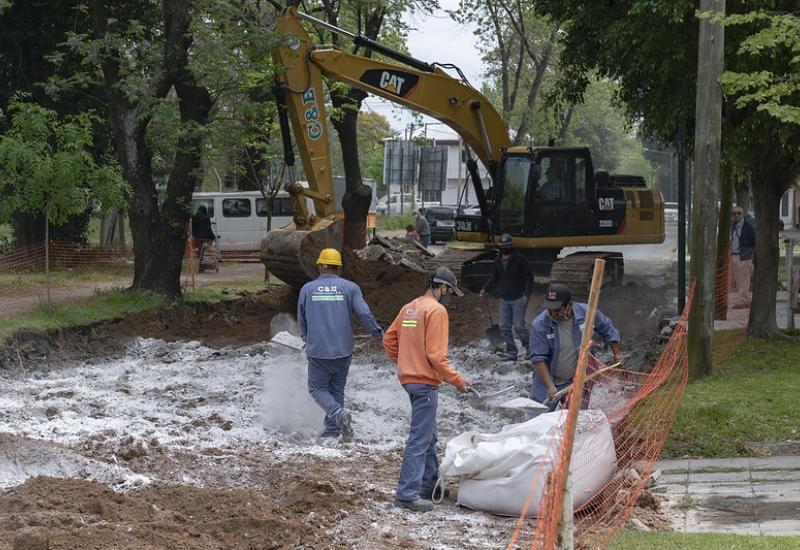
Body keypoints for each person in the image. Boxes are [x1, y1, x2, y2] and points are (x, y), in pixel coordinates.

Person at [383, 267, 472, 512]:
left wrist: (405, 362)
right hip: (424, 384)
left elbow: (389, 340)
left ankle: (429, 485)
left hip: (410, 381)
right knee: (420, 439)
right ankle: (406, 494)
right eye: (449, 292)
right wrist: (458, 381)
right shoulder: (436, 311)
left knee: (429, 435)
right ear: (441, 287)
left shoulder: (409, 307)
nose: (449, 297)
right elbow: (436, 355)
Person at [297, 248, 383, 442]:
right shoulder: (350, 288)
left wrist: (306, 337)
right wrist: (377, 333)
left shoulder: (307, 289)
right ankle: (333, 430)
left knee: (317, 388)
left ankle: (337, 415)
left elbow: (301, 320)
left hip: (318, 350)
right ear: (338, 267)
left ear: (320, 265)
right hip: (343, 350)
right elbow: (364, 313)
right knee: (336, 389)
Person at [528, 283, 621, 411]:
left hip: (578, 380)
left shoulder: (585, 313)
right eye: (549, 310)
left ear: (569, 305)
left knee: (574, 421)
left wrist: (617, 355)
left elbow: (607, 328)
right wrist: (550, 386)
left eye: (557, 310)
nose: (552, 313)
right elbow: (538, 359)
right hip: (547, 382)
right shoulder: (540, 325)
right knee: (537, 420)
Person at [479, 233, 533, 360]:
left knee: (519, 326)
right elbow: (495, 277)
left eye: (507, 246)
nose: (505, 248)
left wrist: (527, 293)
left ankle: (530, 348)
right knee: (504, 327)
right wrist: (485, 288)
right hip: (504, 298)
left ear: (511, 246)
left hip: (518, 298)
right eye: (503, 246)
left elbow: (529, 276)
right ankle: (511, 352)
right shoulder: (498, 261)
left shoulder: (520, 259)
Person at [730, 206, 756, 300]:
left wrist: (749, 254)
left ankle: (743, 298)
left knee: (744, 279)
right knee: (738, 279)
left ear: (743, 214)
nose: (737, 215)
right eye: (734, 213)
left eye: (739, 213)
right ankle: (742, 298)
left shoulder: (748, 226)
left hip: (744, 256)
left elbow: (754, 241)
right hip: (734, 256)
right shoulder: (733, 226)